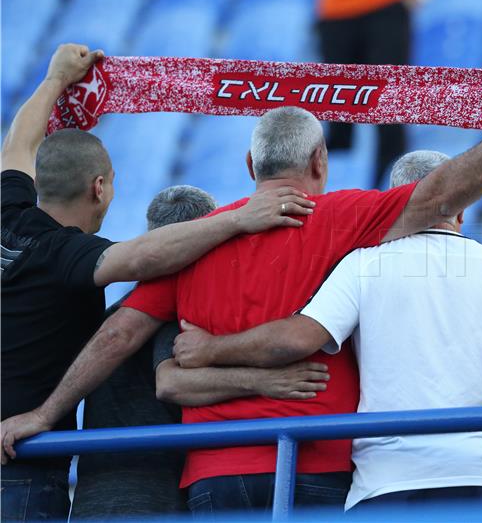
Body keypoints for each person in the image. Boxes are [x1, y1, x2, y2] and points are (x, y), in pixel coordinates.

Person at [1, 68, 482, 515]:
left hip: (214, 474)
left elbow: (121, 331)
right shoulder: (351, 222)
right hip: (322, 464)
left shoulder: (194, 240)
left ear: (250, 162)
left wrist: (45, 413)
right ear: (321, 162)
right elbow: (441, 194)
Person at [0, 44, 315, 522]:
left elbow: (18, 145)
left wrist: (53, 81)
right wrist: (238, 219)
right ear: (99, 188)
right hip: (20, 463)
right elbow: (142, 257)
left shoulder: (8, 212)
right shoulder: (67, 255)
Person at [173, 150, 482, 510]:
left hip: (386, 485)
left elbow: (297, 339)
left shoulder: (365, 263)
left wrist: (210, 349)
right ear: (461, 210)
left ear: (397, 203)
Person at [71, 185, 330, 519]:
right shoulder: (176, 312)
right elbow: (170, 384)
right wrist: (265, 381)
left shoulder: (113, 315)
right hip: (156, 502)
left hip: (93, 500)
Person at [317, 0, 444, 188]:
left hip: (387, 4)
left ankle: (389, 199)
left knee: (390, 112)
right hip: (335, 9)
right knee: (338, 115)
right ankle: (331, 200)